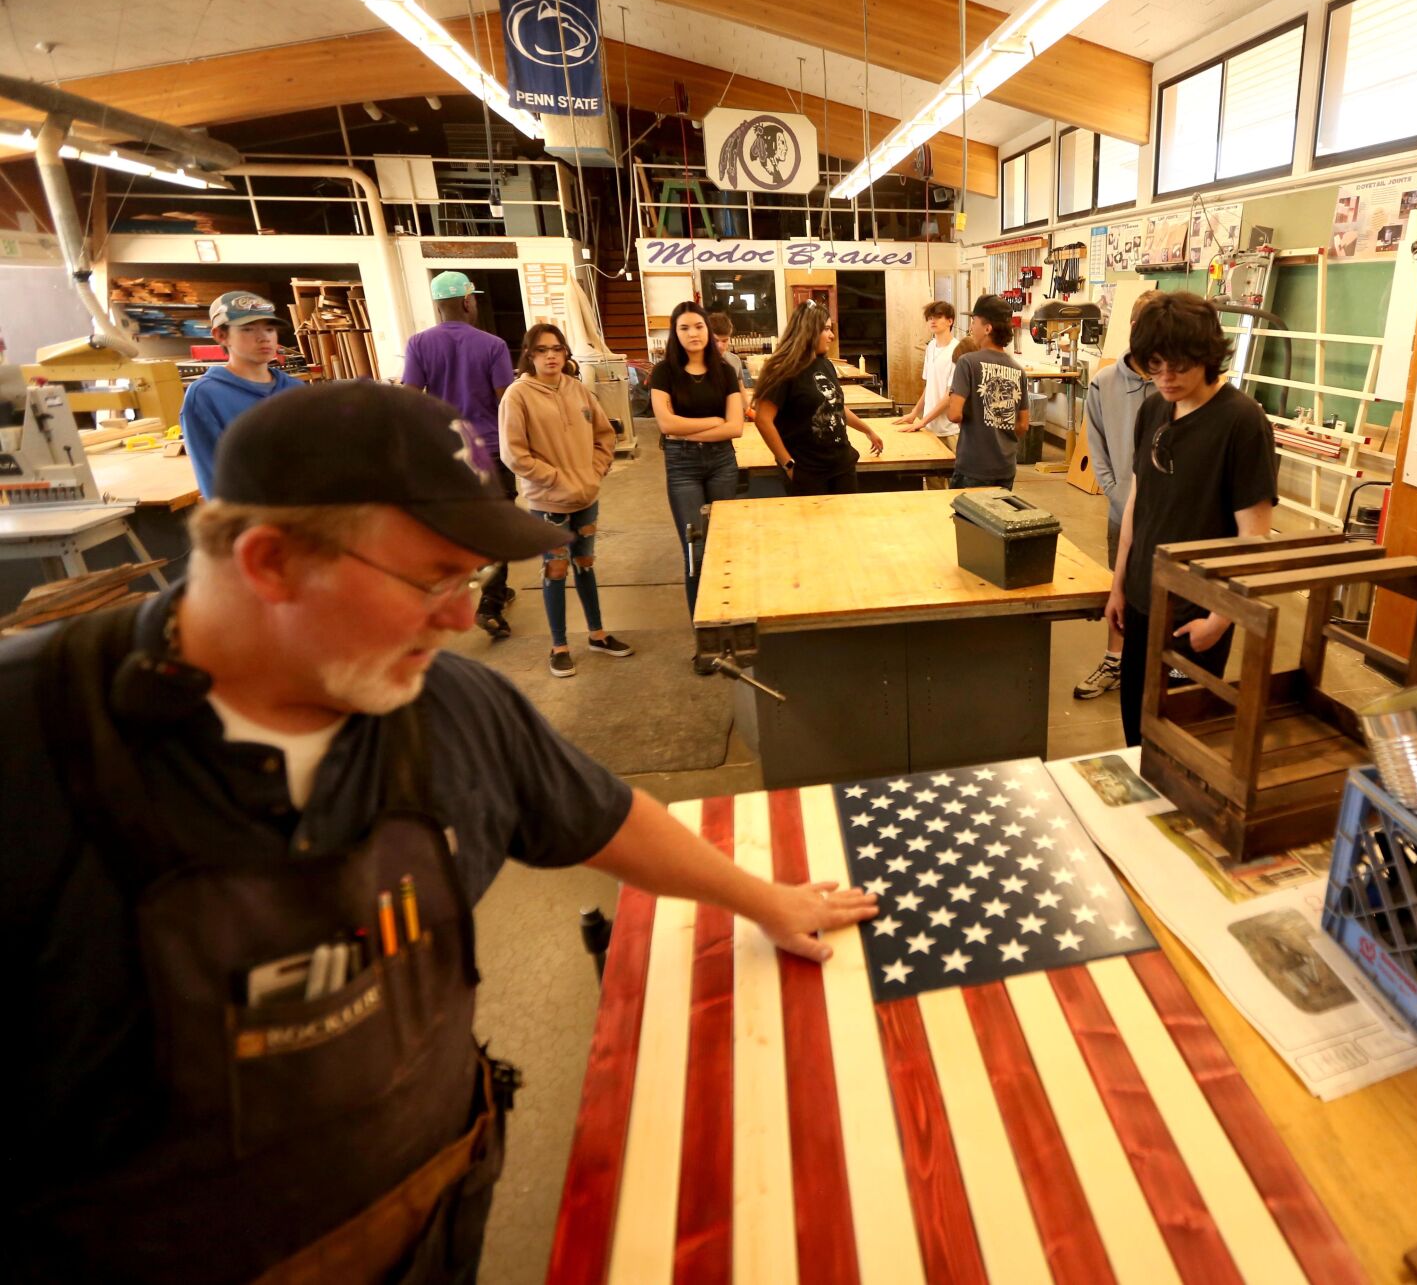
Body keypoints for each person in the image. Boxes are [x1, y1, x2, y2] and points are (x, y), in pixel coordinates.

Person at [0, 380, 877, 1283]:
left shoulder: (449, 706)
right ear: (268, 562)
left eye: (469, 578)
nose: (464, 617)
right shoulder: (32, 747)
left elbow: (603, 817)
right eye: (432, 579)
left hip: (432, 1221)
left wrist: (764, 899)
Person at [1106, 292, 1277, 748]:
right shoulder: (1154, 409)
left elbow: (1253, 539)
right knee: (1135, 724)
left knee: (1179, 731)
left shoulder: (1242, 422)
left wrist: (1219, 620)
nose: (1165, 378)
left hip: (1193, 618)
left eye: (1177, 366)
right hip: (1143, 601)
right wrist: (1119, 585)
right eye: (1154, 365)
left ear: (1206, 356)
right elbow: (1138, 506)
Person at [499, 324, 634, 678]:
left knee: (586, 565)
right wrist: (556, 478)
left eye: (557, 349)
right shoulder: (517, 395)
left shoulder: (577, 390)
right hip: (548, 503)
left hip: (587, 496)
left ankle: (597, 634)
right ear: (529, 354)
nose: (551, 356)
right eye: (542, 350)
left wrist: (595, 471)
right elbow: (514, 455)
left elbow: (604, 434)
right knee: (555, 570)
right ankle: (559, 646)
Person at [401, 270, 519, 639]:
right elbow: (507, 400)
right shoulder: (492, 345)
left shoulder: (418, 343)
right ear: (468, 301)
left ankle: (452, 600)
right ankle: (491, 604)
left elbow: (410, 396)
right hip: (490, 451)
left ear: (438, 306)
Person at [1073, 289, 1163, 701]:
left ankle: (1156, 671)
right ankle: (1115, 662)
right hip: (1122, 512)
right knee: (1121, 588)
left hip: (1170, 518)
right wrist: (1114, 492)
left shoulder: (1173, 383)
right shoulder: (1104, 383)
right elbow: (1097, 443)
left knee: (1167, 598)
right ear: (1133, 329)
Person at [650, 301, 746, 616]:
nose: (693, 333)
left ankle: (727, 619)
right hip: (682, 467)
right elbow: (666, 424)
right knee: (695, 551)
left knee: (725, 546)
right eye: (684, 328)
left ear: (707, 329)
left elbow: (735, 426)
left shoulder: (726, 371)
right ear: (675, 334)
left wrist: (685, 431)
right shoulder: (664, 373)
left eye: (698, 326)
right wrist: (712, 423)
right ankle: (703, 634)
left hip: (721, 463)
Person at [752, 299, 882, 495]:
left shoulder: (826, 365)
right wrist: (787, 464)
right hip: (808, 471)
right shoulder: (783, 370)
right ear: (810, 330)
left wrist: (867, 430)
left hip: (841, 464)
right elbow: (763, 420)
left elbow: (835, 406)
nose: (832, 335)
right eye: (827, 329)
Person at [182, 290, 303, 499]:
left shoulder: (295, 390)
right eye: (248, 329)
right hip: (252, 520)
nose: (263, 337)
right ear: (221, 335)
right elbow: (213, 478)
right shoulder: (206, 396)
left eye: (270, 329)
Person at [945, 295, 1028, 490]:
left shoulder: (967, 362)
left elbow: (954, 414)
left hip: (974, 466)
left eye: (974, 322)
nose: (971, 328)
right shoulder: (1018, 370)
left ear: (987, 328)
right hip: (1005, 467)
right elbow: (1023, 425)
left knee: (965, 520)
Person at [895, 299, 960, 446]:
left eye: (938, 317)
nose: (933, 321)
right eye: (930, 318)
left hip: (949, 429)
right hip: (929, 427)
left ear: (950, 321)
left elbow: (951, 395)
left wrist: (922, 421)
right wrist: (914, 413)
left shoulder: (957, 350)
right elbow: (929, 386)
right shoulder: (931, 346)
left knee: (953, 468)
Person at [708, 308, 748, 389]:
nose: (720, 345)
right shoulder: (699, 363)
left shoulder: (735, 360)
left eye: (724, 340)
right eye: (715, 340)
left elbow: (740, 388)